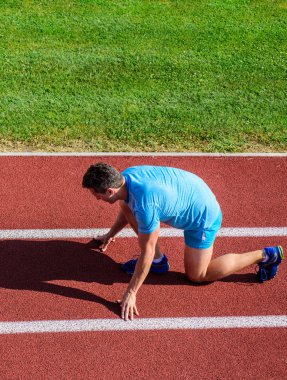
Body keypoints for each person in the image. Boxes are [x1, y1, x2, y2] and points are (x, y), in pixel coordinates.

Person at [82, 163, 284, 321]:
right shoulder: (127, 178)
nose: (95, 198)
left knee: (197, 275)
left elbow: (147, 251)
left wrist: (131, 292)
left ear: (109, 190)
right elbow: (126, 209)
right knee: (126, 204)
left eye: (95, 194)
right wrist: (109, 235)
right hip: (193, 192)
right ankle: (160, 264)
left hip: (203, 217)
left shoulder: (145, 204)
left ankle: (266, 255)